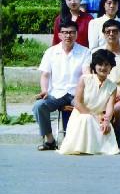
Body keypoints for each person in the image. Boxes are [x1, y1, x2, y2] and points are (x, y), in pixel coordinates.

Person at [33, 20, 92, 151]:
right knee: (38, 106)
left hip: (75, 94)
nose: (68, 36)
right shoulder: (51, 52)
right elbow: (45, 75)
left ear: (76, 34)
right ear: (59, 35)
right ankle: (50, 140)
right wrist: (44, 90)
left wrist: (84, 94)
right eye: (65, 32)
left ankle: (81, 141)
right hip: (56, 94)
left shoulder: (85, 52)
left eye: (71, 32)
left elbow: (86, 73)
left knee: (87, 109)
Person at [57, 49, 119, 155]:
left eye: (106, 65)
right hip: (81, 114)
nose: (103, 67)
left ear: (111, 67)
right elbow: (77, 102)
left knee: (105, 127)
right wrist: (92, 116)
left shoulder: (112, 86)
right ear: (94, 66)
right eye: (100, 64)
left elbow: (110, 108)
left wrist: (106, 121)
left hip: (100, 117)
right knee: (87, 118)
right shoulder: (84, 79)